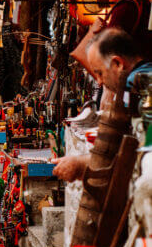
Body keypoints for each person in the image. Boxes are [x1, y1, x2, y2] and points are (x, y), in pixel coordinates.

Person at [54, 28, 152, 182]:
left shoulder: (134, 86)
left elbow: (133, 153)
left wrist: (81, 164)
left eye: (99, 73)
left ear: (118, 63)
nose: (99, 82)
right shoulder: (144, 73)